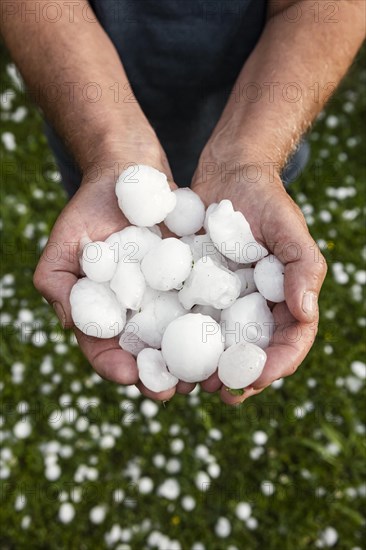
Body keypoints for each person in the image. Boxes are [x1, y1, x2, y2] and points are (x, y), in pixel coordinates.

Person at [1, 0, 364, 405]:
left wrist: (251, 158)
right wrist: (108, 147)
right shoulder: (135, 240)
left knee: (263, 199)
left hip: (257, 102)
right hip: (90, 111)